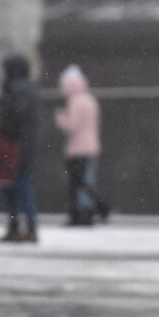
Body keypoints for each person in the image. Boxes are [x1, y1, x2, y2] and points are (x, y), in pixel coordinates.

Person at [54, 64, 110, 226]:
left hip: (77, 148)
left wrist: (61, 118)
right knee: (84, 181)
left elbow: (72, 125)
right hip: (91, 146)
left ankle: (89, 211)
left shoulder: (75, 101)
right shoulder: (89, 99)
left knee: (77, 183)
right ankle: (91, 210)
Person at [0, 54, 40, 243]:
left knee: (16, 187)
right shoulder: (28, 88)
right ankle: (25, 226)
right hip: (24, 144)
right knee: (18, 186)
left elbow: (15, 115)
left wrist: (4, 131)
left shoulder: (17, 89)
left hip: (15, 144)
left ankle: (21, 226)